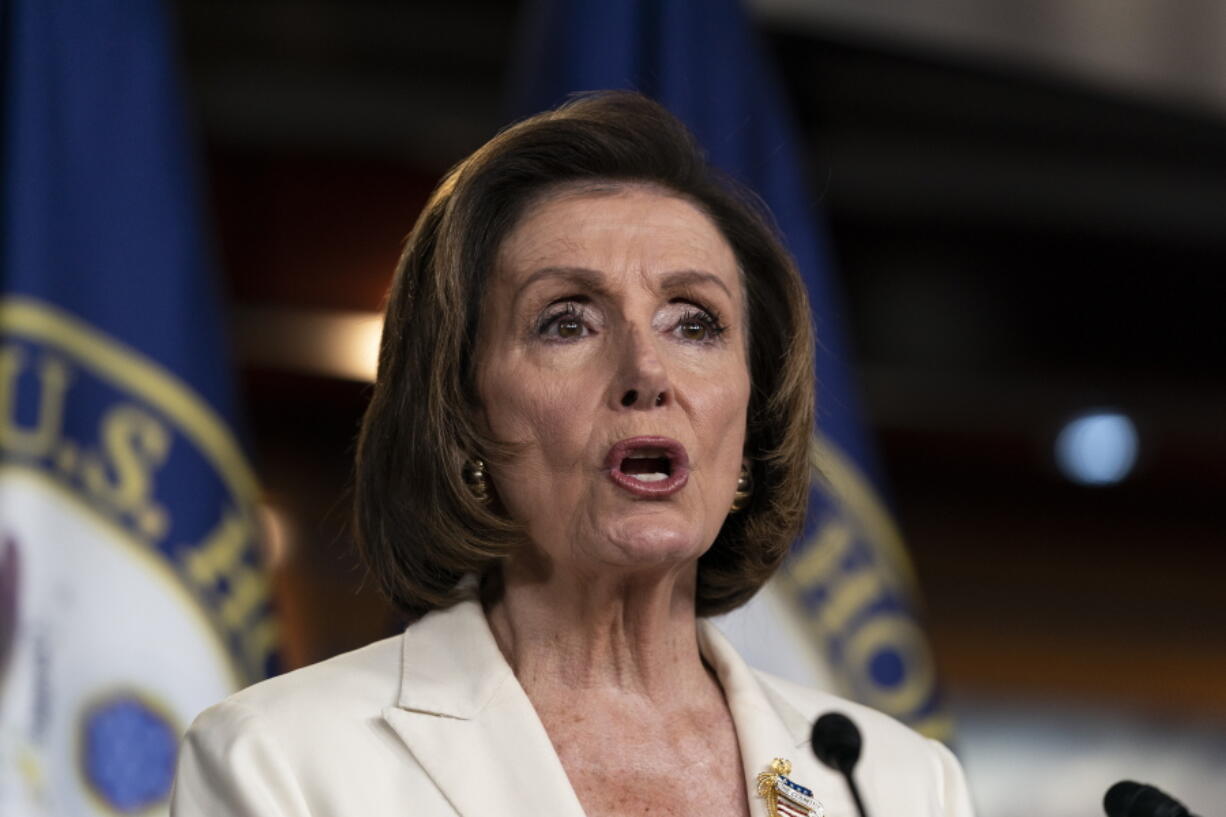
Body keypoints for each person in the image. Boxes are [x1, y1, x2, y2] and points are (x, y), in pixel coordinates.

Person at [171, 91, 975, 817]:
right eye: (567, 321)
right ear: (462, 411)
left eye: (693, 321)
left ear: (753, 416)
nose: (646, 372)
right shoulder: (284, 760)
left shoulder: (895, 784)